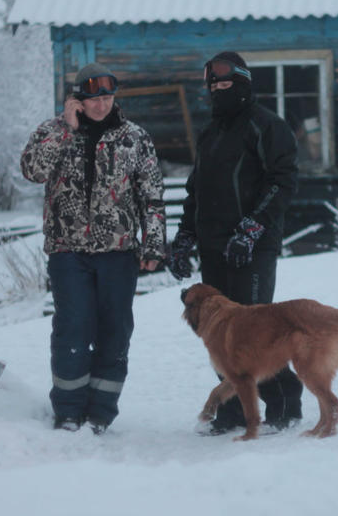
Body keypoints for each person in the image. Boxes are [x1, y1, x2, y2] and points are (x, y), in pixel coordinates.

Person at [20, 62, 165, 433]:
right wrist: (64, 129)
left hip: (118, 253)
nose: (101, 105)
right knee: (73, 328)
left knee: (115, 332)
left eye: (107, 97)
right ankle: (68, 412)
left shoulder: (134, 138)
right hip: (68, 252)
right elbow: (33, 171)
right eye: (93, 98)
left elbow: (151, 196)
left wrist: (153, 245)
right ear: (77, 99)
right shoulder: (52, 132)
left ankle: (100, 413)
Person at [168, 51, 303, 435]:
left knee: (255, 337)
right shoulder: (210, 134)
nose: (219, 92)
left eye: (227, 85)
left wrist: (252, 229)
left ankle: (284, 407)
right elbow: (196, 191)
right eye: (214, 86)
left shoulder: (267, 126)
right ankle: (229, 413)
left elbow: (282, 182)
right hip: (213, 248)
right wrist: (184, 238)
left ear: (243, 85)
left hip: (252, 249)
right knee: (217, 336)